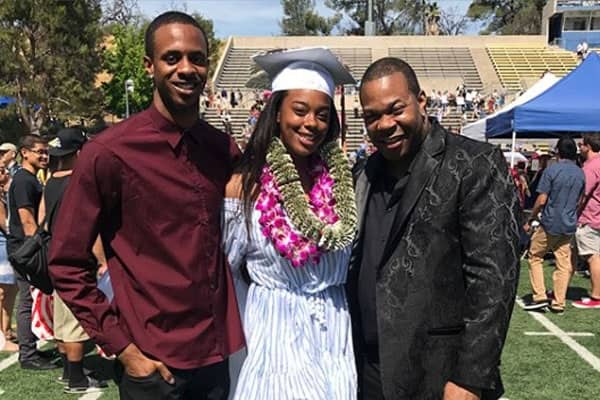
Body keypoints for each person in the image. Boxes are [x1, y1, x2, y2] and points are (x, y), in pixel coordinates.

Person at [48, 11, 244, 400]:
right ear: (149, 65)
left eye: (197, 57)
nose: (186, 68)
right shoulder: (108, 153)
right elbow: (66, 262)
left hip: (217, 358)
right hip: (152, 363)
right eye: (172, 57)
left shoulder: (222, 149)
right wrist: (122, 347)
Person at [349, 57, 520, 400]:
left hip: (440, 378)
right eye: (372, 116)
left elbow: (494, 277)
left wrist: (470, 378)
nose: (385, 124)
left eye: (395, 109)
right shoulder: (364, 173)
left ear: (421, 101)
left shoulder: (474, 163)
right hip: (367, 372)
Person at [222, 47, 358, 399]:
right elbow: (226, 270)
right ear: (278, 112)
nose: (311, 123)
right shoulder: (245, 186)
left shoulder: (341, 183)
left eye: (322, 115)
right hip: (274, 330)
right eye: (300, 110)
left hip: (334, 328)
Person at [40, 128, 108, 393]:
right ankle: (77, 378)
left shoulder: (51, 181)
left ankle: (70, 372)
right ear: (80, 151)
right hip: (77, 258)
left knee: (63, 317)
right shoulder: (77, 182)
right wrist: (103, 261)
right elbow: (87, 227)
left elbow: (42, 220)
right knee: (76, 321)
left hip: (55, 254)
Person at [6, 135, 53, 369]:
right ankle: (28, 354)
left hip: (25, 247)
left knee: (30, 298)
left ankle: (30, 348)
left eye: (46, 152)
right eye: (39, 152)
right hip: (25, 249)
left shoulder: (30, 179)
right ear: (25, 152)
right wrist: (41, 251)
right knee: (26, 299)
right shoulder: (24, 181)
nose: (44, 156)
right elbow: (27, 221)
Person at [523, 137, 585, 313]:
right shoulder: (580, 173)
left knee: (535, 256)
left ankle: (540, 296)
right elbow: (580, 200)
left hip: (551, 221)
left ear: (558, 151)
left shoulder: (552, 171)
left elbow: (541, 200)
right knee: (563, 262)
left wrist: (530, 218)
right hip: (568, 222)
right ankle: (558, 302)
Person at [573, 133, 600, 309]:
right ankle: (560, 289)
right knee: (571, 254)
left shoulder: (590, 167)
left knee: (592, 256)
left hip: (590, 216)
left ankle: (597, 296)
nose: (579, 148)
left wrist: (572, 210)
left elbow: (583, 194)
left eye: (581, 145)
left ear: (588, 146)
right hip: (595, 215)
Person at [0, 161, 17, 352]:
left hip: (6, 247)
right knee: (2, 292)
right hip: (2, 249)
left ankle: (6, 330)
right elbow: (6, 225)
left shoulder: (3, 194)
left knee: (10, 291)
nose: (5, 173)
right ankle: (2, 337)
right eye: (0, 171)